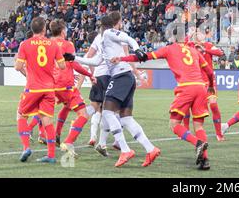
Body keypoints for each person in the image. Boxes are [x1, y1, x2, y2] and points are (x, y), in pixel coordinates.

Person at [69, 11, 159, 167]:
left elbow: (128, 38)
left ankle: (125, 150)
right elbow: (96, 61)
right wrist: (74, 58)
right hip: (126, 77)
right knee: (126, 118)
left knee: (108, 112)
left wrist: (137, 49)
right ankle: (150, 149)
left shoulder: (109, 33)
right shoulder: (103, 40)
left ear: (101, 26)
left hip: (121, 76)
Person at [116, 29, 214, 170]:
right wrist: (210, 86)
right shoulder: (194, 51)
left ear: (174, 38)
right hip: (201, 87)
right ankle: (204, 160)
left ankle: (197, 143)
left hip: (186, 88)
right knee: (198, 126)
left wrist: (122, 59)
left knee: (174, 125)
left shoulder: (169, 49)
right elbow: (210, 72)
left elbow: (144, 57)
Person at [15, 17, 66, 163]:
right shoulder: (53, 44)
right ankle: (50, 156)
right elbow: (62, 66)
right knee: (47, 120)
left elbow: (18, 67)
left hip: (33, 88)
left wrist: (28, 74)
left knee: (21, 116)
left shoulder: (25, 44)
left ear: (32, 29)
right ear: (44, 29)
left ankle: (26, 147)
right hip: (49, 88)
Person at [49, 19, 95, 156]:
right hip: (66, 85)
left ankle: (56, 135)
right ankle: (68, 142)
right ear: (63, 31)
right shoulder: (67, 44)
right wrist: (89, 74)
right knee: (83, 114)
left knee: (66, 106)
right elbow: (74, 64)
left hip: (52, 85)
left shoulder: (48, 43)